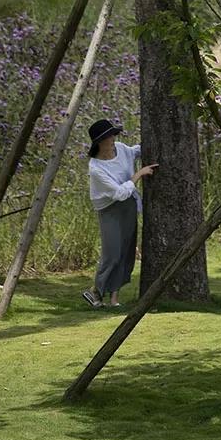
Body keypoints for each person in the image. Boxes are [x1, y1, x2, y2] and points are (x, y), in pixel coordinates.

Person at [81, 118, 157, 310]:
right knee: (112, 253)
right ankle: (96, 291)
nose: (114, 139)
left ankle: (114, 298)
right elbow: (119, 193)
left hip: (128, 206)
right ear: (100, 142)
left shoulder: (121, 149)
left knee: (126, 251)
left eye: (114, 135)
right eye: (110, 136)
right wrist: (139, 174)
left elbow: (136, 151)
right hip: (110, 209)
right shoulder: (96, 168)